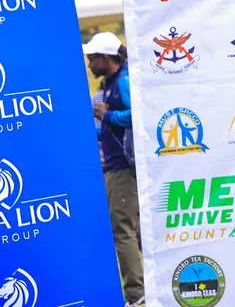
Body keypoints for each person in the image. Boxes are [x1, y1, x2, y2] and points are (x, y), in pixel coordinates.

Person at [85, 31, 145, 307]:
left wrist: (105, 115)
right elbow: (108, 128)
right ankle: (145, 289)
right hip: (119, 166)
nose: (88, 63)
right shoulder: (110, 83)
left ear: (106, 58)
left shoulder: (122, 81)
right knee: (135, 231)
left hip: (123, 169)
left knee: (123, 232)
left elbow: (139, 115)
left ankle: (136, 294)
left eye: (92, 57)